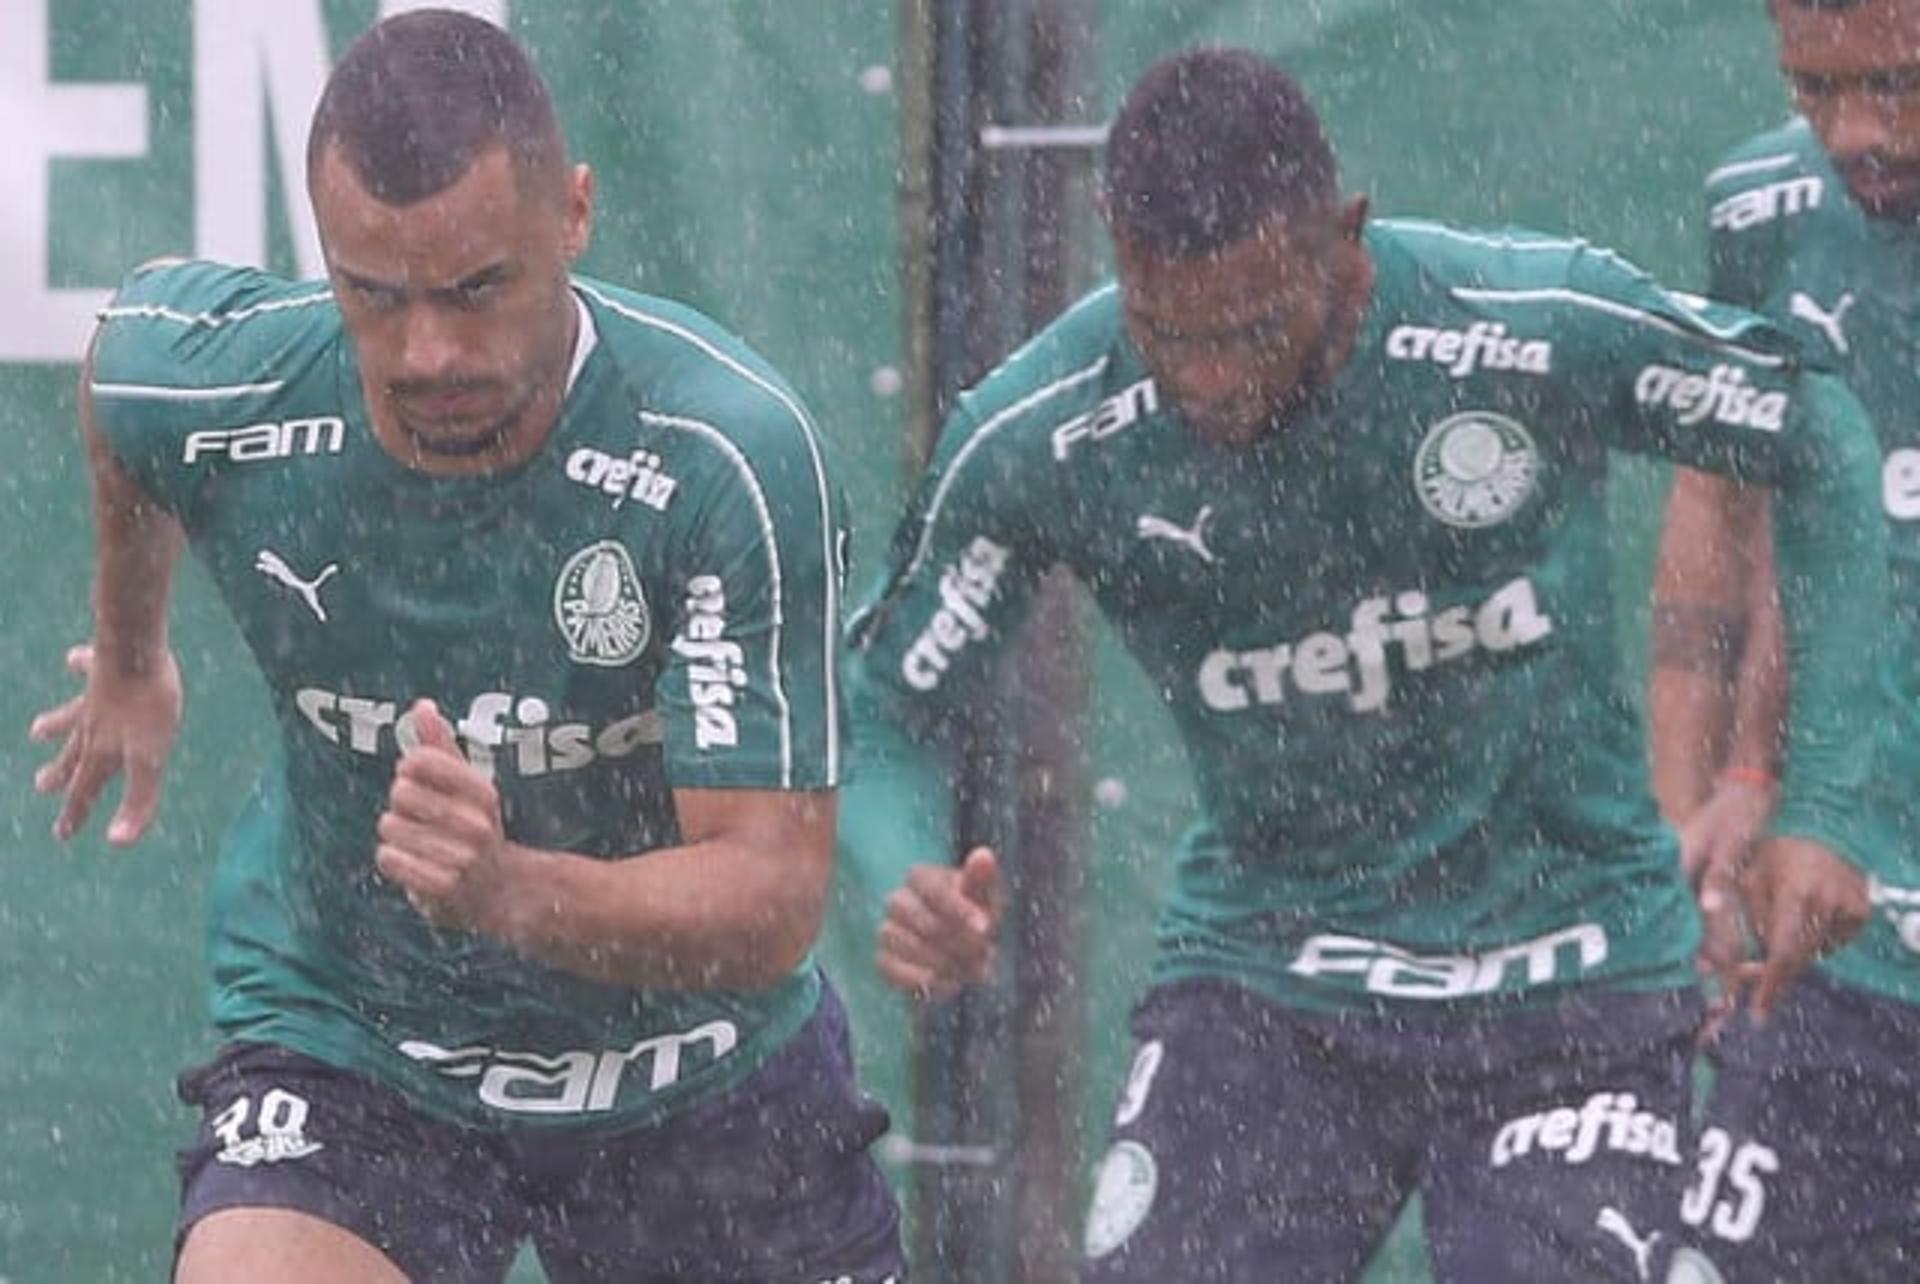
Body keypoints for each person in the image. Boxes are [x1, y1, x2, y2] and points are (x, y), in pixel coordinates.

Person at [853, 47, 1883, 1283]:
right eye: (1168, 333)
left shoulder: (1523, 325)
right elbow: (881, 712)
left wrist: (1820, 799)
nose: (1211, 380)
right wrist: (902, 873)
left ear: (1346, 237)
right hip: (1270, 987)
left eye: (1249, 327)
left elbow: (1818, 430)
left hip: (1575, 978)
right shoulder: (1041, 434)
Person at [26, 10, 903, 1283]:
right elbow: (119, 375)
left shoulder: (723, 455)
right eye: (373, 296)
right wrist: (129, 651)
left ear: (576, 217)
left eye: (477, 288)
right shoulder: (235, 389)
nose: (426, 351)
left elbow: (769, 900)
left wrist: (507, 890)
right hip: (360, 1043)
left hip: (698, 1074)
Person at [1650, 1, 1920, 1277]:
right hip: (1839, 933)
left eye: (1900, 81)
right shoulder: (1764, 214)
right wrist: (1707, 794)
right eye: (1816, 89)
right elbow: (1725, 488)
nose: (1858, 131)